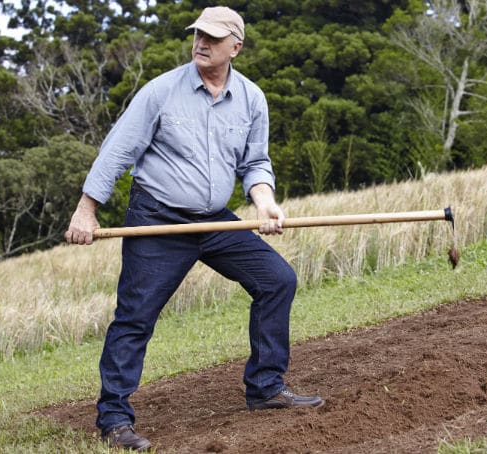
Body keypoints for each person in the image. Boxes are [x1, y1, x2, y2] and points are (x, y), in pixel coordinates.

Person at [64, 6, 324, 451]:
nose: (202, 42)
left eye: (214, 37)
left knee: (277, 279)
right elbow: (117, 152)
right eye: (198, 34)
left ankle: (265, 387)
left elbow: (255, 162)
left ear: (235, 47)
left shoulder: (251, 99)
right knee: (136, 315)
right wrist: (86, 210)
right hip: (158, 219)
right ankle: (114, 419)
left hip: (216, 218)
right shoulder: (161, 92)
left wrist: (265, 203)